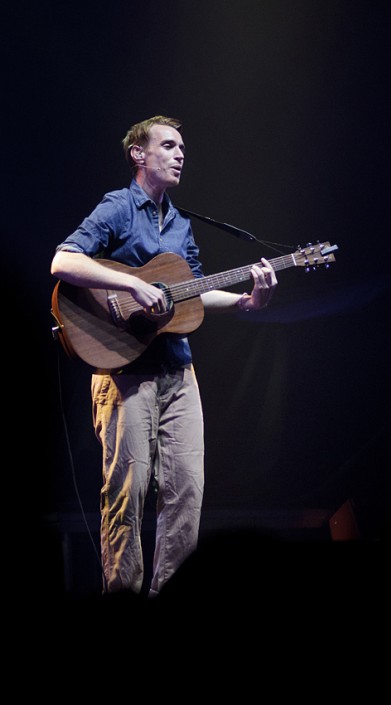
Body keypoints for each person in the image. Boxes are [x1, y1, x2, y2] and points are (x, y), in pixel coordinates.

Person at [50, 114, 278, 598]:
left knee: (186, 494)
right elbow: (63, 261)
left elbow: (191, 294)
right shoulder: (117, 208)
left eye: (182, 148)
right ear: (139, 154)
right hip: (124, 368)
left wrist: (246, 301)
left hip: (177, 368)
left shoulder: (180, 223)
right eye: (170, 145)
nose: (181, 154)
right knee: (127, 496)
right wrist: (132, 282)